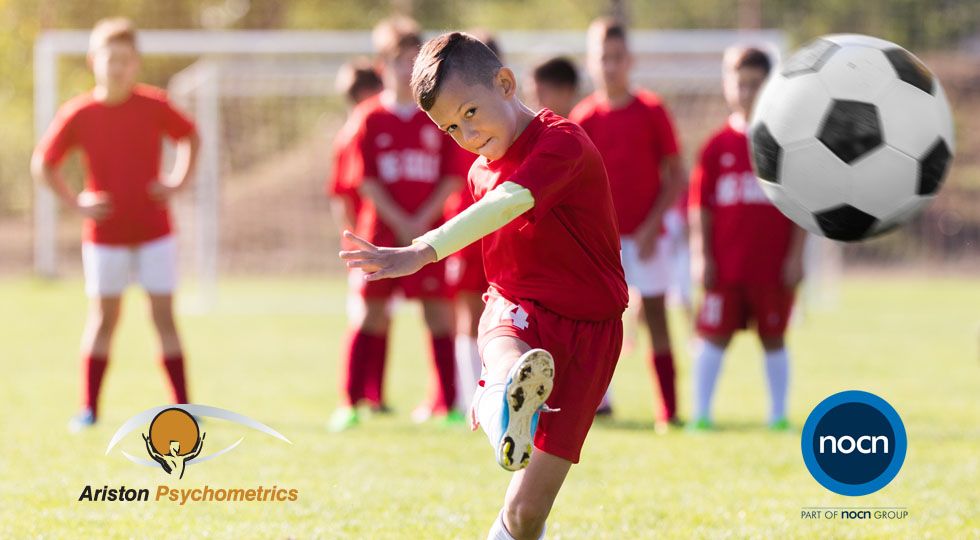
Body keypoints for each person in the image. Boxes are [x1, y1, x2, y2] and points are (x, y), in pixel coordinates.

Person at [341, 32, 627, 540]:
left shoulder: (563, 141)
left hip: (591, 330)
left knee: (525, 513)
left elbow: (507, 204)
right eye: (451, 127)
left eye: (470, 112)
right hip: (515, 307)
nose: (466, 135)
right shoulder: (479, 171)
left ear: (506, 82)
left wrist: (419, 250)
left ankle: (504, 411)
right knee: (505, 356)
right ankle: (502, 407)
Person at [31, 17, 200, 432]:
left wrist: (177, 181)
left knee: (164, 318)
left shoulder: (154, 104)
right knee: (104, 320)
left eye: (126, 59)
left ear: (136, 63)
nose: (118, 67)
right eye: (110, 58)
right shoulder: (79, 112)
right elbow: (43, 164)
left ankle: (183, 406)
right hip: (104, 237)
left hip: (155, 232)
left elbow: (191, 137)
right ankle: (88, 409)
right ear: (94, 61)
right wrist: (78, 202)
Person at [327, 16, 462, 432]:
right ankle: (350, 402)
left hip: (428, 236)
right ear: (383, 64)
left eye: (415, 60)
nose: (408, 69)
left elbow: (452, 176)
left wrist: (422, 221)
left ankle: (447, 404)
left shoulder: (437, 115)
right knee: (369, 316)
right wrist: (400, 220)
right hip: (380, 235)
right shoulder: (368, 119)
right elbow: (363, 182)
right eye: (400, 60)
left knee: (439, 315)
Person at [569, 18, 686, 430]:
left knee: (655, 314)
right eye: (603, 58)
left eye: (617, 57)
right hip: (602, 243)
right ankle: (598, 403)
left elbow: (676, 174)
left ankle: (668, 410)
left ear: (630, 60)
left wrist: (655, 225)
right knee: (596, 321)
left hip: (647, 237)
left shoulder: (651, 110)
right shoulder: (582, 118)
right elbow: (574, 185)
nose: (610, 65)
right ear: (591, 62)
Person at [688, 46, 807, 431]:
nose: (747, 92)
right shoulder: (716, 146)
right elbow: (699, 206)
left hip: (771, 265)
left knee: (774, 337)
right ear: (728, 85)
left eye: (756, 84)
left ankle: (778, 415)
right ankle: (701, 414)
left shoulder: (785, 145)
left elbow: (801, 205)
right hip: (725, 265)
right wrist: (701, 255)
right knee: (713, 337)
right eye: (740, 84)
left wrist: (795, 257)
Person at [326, 57, 388, 412]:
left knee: (381, 315)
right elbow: (341, 193)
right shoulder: (356, 130)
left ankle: (374, 396)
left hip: (374, 238)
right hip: (364, 238)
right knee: (366, 314)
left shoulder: (367, 125)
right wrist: (350, 237)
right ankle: (351, 397)